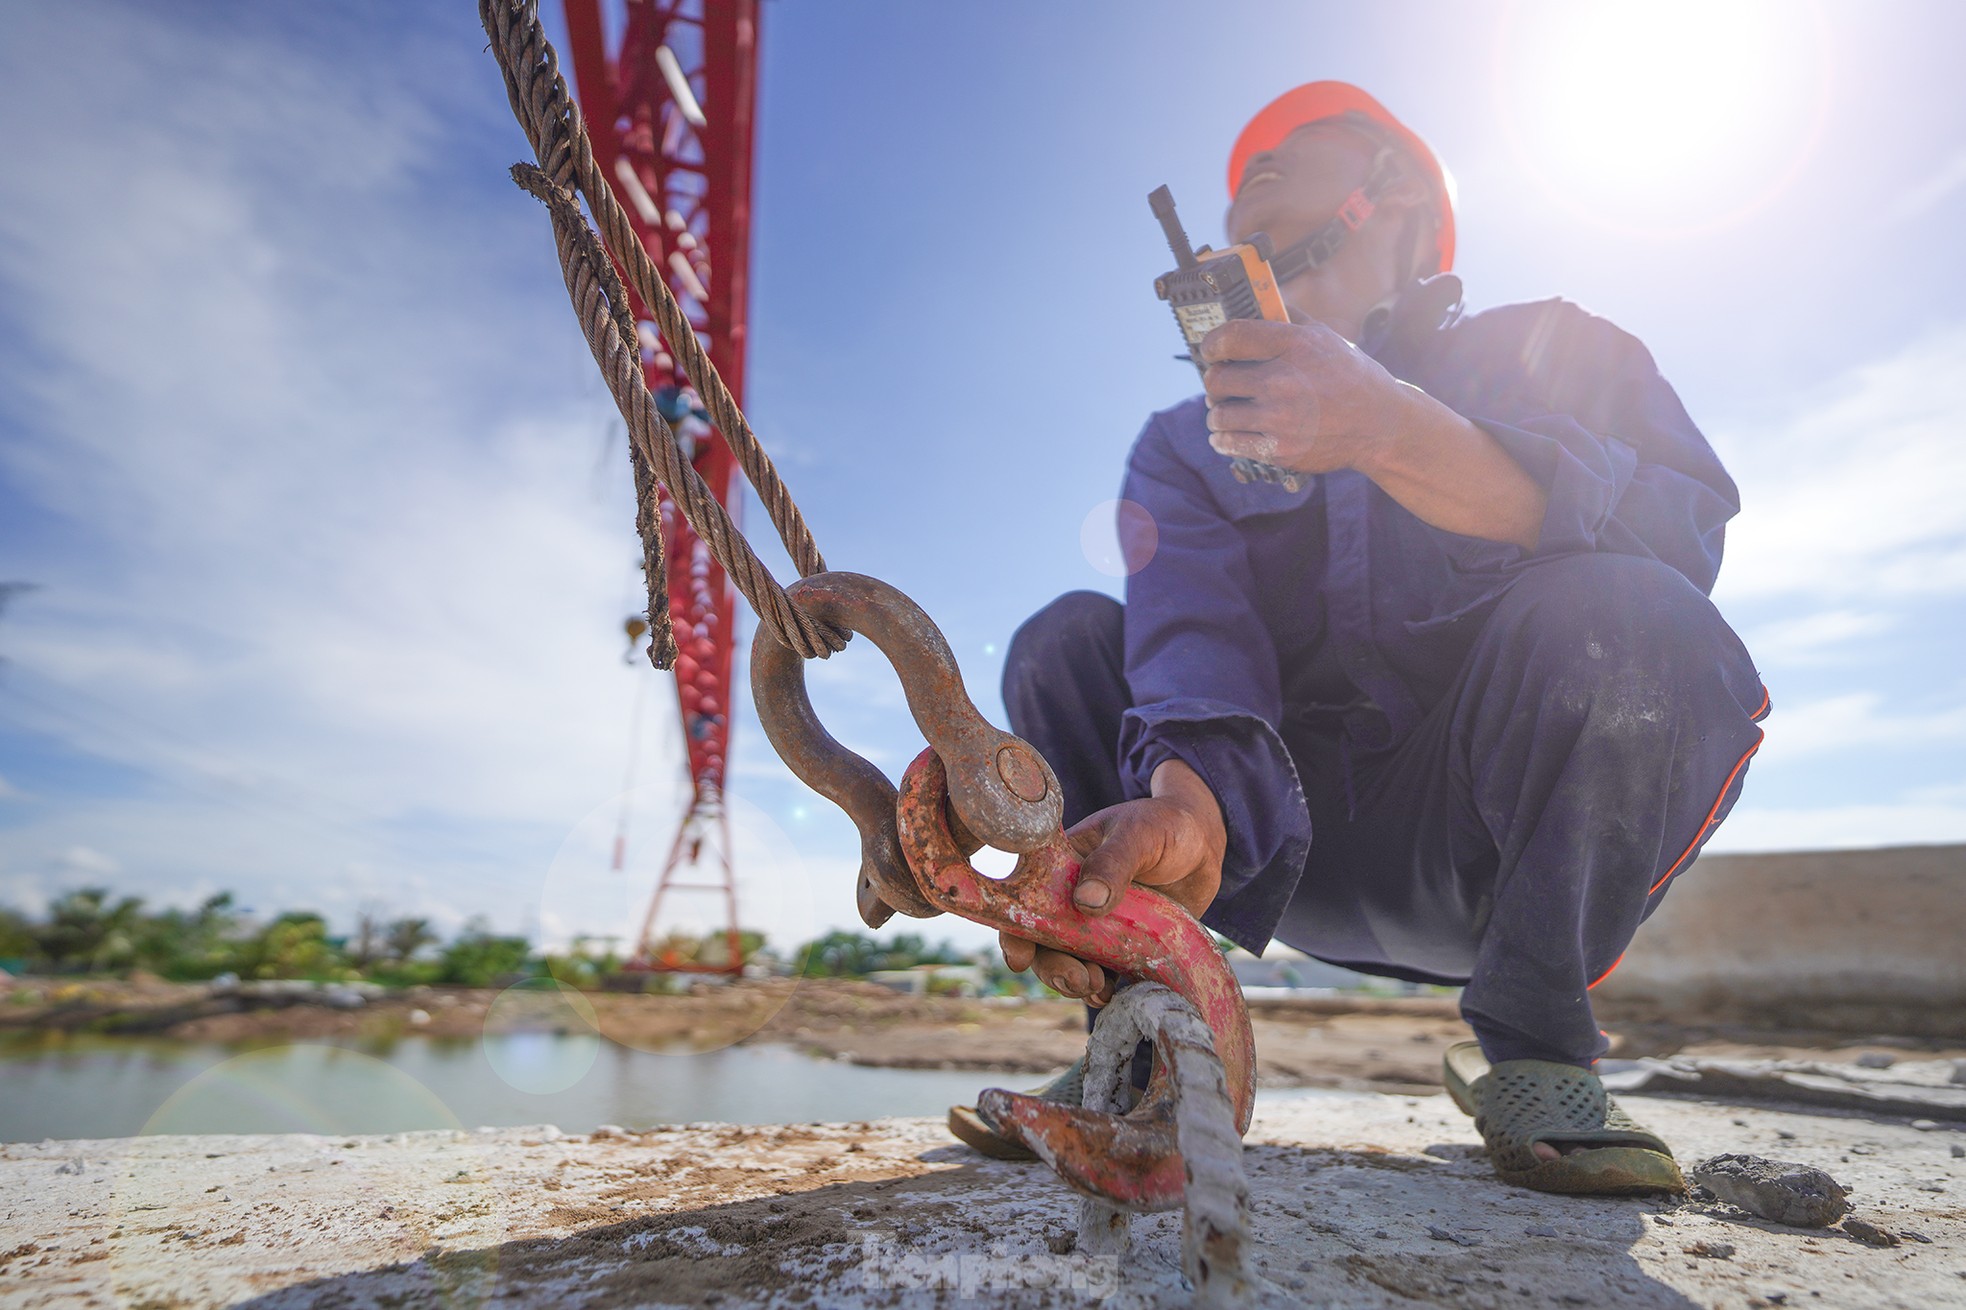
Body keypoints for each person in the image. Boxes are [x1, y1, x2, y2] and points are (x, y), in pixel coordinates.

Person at [949, 82, 1768, 1195]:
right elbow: (1192, 630)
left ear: (1393, 193)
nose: (1254, 172)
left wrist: (1391, 430)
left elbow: (1681, 543)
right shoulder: (1185, 442)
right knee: (1066, 642)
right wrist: (1187, 804)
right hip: (1265, 856)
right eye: (1247, 167)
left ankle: (1538, 1052)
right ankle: (1145, 1039)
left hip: (1489, 854)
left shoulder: (1561, 348)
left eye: (1298, 149)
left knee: (1636, 613)